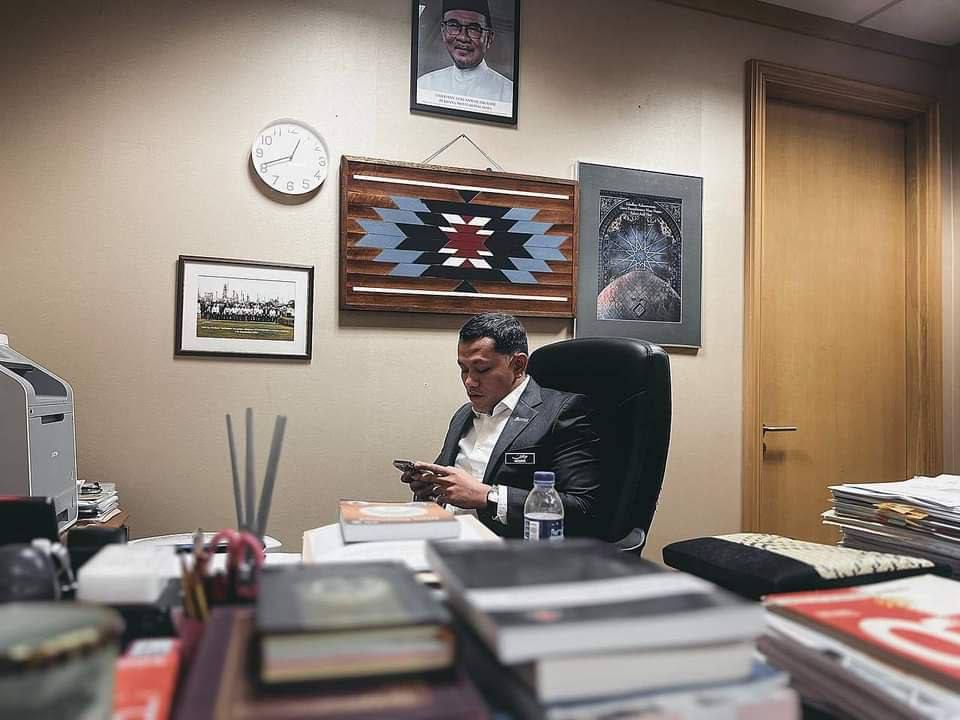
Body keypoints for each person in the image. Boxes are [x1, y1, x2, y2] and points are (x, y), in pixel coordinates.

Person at [401, 313, 605, 538]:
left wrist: (488, 497)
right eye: (464, 369)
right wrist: (430, 487)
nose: (469, 381)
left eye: (482, 369)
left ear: (518, 365)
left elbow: (583, 507)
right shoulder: (463, 415)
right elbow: (450, 486)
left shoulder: (562, 412)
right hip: (445, 535)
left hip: (506, 548)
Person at [417, 0, 513, 104]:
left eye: (474, 29)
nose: (463, 37)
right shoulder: (425, 84)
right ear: (443, 32)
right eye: (454, 25)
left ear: (489, 38)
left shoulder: (508, 94)